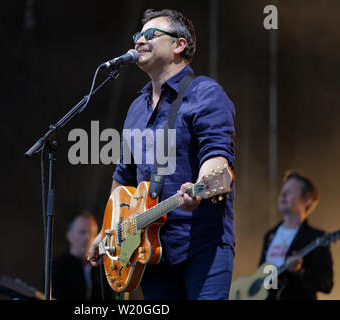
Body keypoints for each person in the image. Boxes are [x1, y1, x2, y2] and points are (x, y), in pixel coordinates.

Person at [88, 8, 236, 300]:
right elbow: (123, 178)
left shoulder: (206, 93)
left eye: (151, 34)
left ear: (179, 45)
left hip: (200, 245)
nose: (140, 41)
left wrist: (201, 187)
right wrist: (109, 232)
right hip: (148, 253)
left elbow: (218, 158)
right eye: (137, 36)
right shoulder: (136, 108)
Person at [258, 170, 333, 300]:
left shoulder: (316, 238)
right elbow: (261, 275)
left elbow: (326, 284)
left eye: (291, 191)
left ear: (307, 201)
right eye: (283, 190)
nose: (283, 194)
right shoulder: (270, 235)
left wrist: (300, 272)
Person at [52, 211, 113, 300]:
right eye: (82, 232)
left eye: (91, 233)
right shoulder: (57, 266)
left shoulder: (102, 268)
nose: (87, 237)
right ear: (69, 235)